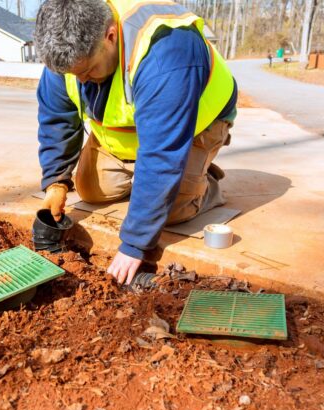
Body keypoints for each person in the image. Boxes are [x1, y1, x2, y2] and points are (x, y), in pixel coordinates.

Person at [34, 0, 238, 285]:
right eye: (73, 74)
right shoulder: (68, 55)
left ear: (110, 36)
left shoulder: (166, 51)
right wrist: (55, 180)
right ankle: (150, 178)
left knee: (173, 211)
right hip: (132, 133)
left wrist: (135, 245)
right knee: (91, 189)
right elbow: (57, 117)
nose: (81, 80)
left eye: (88, 70)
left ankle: (202, 183)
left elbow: (161, 153)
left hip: (192, 126)